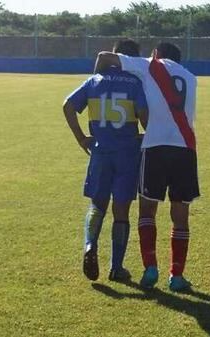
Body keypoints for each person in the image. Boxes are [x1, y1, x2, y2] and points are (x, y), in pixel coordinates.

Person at [94, 42, 199, 292]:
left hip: (154, 147)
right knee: (180, 217)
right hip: (185, 148)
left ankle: (150, 267)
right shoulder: (191, 77)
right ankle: (177, 275)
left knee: (147, 212)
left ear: (156, 54)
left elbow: (104, 56)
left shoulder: (149, 65)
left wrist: (100, 83)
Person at [62, 39, 148, 282]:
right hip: (127, 154)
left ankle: (90, 246)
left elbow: (68, 106)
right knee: (121, 211)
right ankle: (116, 267)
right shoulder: (135, 83)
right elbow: (144, 118)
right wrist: (145, 135)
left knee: (97, 206)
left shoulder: (94, 81)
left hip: (100, 152)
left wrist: (81, 138)